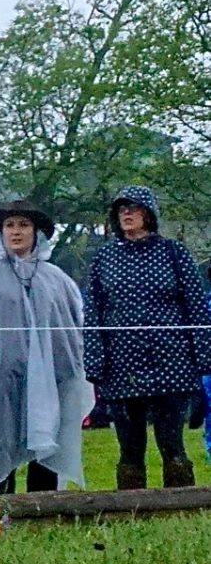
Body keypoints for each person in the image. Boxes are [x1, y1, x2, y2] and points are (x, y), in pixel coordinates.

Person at [0, 199, 93, 494]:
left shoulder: (56, 279)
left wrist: (66, 372)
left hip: (49, 381)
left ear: (37, 232)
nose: (15, 232)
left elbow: (72, 330)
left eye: (23, 225)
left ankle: (43, 509)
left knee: (46, 443)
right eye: (9, 225)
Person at [84, 185, 211, 489]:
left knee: (172, 445)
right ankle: (131, 509)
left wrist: (204, 357)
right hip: (121, 365)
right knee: (130, 449)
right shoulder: (105, 258)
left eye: (134, 207)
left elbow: (196, 307)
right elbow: (94, 313)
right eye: (121, 208)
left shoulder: (174, 252)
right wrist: (94, 361)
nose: (127, 213)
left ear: (149, 213)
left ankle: (180, 507)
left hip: (171, 361)